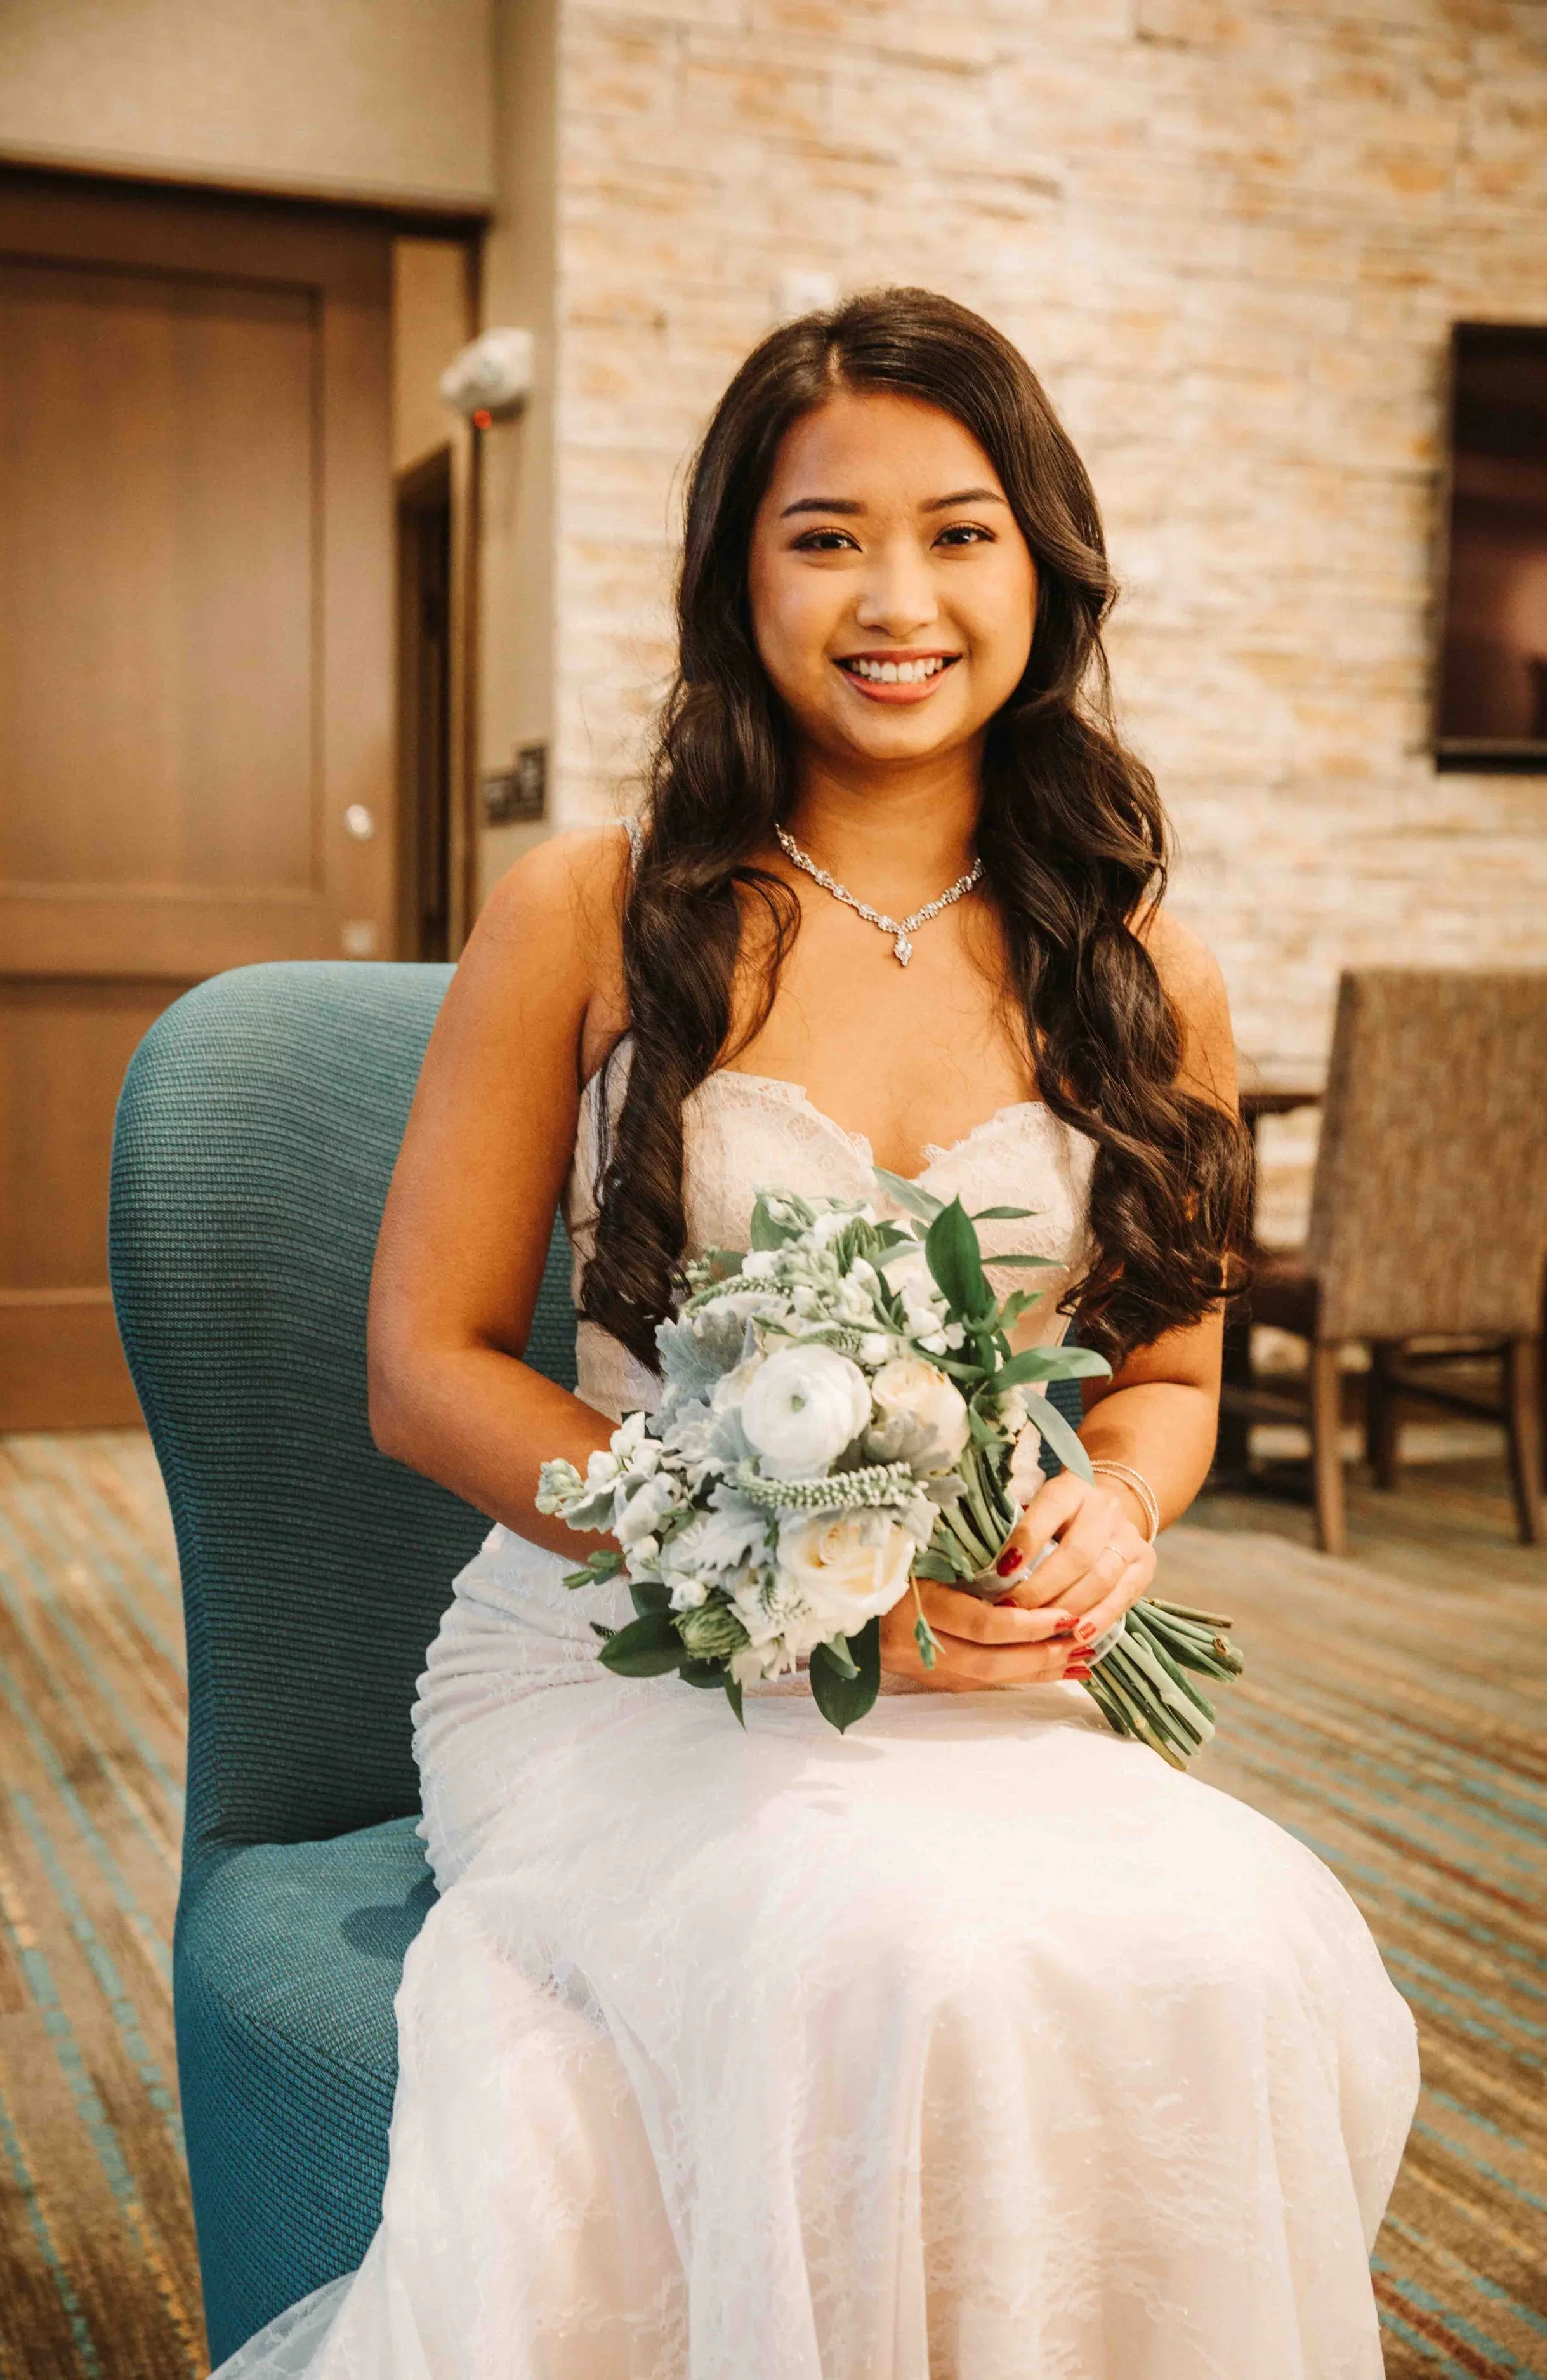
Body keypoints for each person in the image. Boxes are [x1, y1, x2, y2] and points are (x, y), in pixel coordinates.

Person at [216, 288, 1417, 2379]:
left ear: (1041, 566)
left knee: (1243, 1951)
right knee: (906, 1957)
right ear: (731, 571)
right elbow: (422, 1370)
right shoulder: (583, 906)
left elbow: (1169, 1375)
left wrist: (1118, 1511)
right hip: (610, 1662)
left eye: (958, 531)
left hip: (982, 1680)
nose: (897, 595)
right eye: (823, 533)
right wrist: (765, 1577)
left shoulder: (1148, 968)